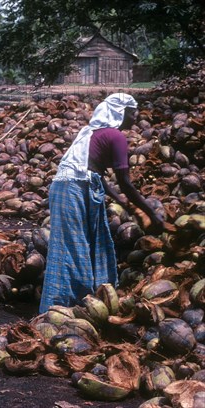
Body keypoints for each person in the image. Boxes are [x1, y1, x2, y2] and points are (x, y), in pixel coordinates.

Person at [39, 93, 164, 313]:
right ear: (120, 112)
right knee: (73, 246)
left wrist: (123, 203)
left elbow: (97, 174)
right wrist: (152, 213)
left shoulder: (94, 133)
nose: (136, 116)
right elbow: (125, 182)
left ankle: (86, 302)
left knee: (89, 243)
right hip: (71, 188)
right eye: (132, 111)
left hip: (76, 185)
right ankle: (62, 307)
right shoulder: (115, 137)